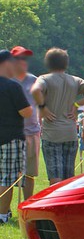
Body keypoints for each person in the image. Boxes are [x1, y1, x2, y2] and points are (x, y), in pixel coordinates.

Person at [31, 48, 84, 185]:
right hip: (70, 133)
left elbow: (35, 90)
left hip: (51, 134)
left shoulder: (44, 79)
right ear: (66, 63)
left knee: (55, 176)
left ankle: (57, 198)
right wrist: (77, 104)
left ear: (48, 63)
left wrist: (42, 107)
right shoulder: (75, 80)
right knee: (69, 177)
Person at [0, 50, 33, 224]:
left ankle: (4, 211)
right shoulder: (12, 86)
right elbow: (26, 112)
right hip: (11, 138)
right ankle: (2, 215)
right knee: (8, 177)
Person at [10, 46, 40, 200]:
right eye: (19, 58)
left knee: (29, 174)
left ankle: (26, 205)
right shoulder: (5, 81)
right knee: (8, 175)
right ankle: (5, 209)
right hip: (11, 134)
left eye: (25, 58)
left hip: (32, 133)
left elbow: (41, 105)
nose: (23, 61)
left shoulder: (34, 80)